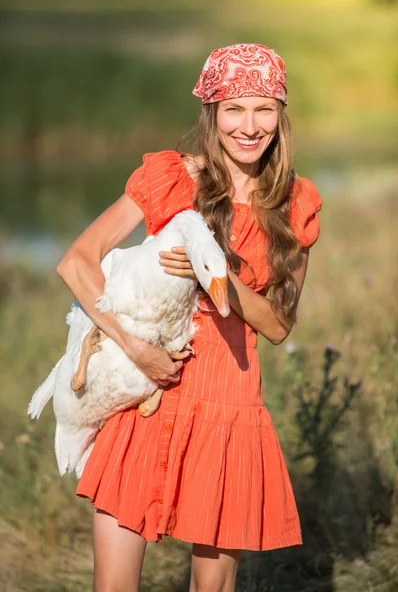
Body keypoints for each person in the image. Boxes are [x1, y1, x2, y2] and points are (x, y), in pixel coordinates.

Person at [57, 43, 322, 592]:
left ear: (281, 114)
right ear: (212, 114)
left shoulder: (294, 202)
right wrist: (135, 349)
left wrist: (214, 270)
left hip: (230, 411)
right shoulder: (174, 179)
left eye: (263, 109)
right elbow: (76, 262)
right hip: (148, 399)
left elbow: (276, 326)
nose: (249, 127)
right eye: (234, 110)